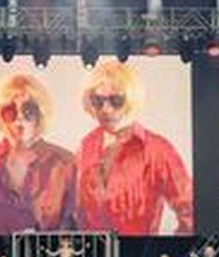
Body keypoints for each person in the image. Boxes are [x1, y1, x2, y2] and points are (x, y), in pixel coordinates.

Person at [75, 61, 194, 235]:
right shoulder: (86, 145)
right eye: (97, 100)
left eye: (116, 100)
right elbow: (77, 211)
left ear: (131, 100)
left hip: (140, 254)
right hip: (94, 254)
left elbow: (191, 212)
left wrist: (170, 249)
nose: (106, 109)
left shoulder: (158, 149)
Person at [0, 74, 77, 235]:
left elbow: (73, 227)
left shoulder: (66, 164)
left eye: (28, 110)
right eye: (10, 111)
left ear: (40, 114)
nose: (19, 119)